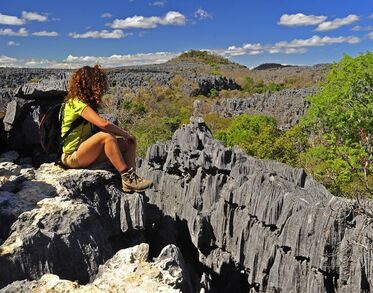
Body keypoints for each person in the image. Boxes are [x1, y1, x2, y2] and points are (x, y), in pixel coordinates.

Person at [60, 65, 152, 192]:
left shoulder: (85, 104)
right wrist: (126, 133)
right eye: (96, 83)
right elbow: (103, 124)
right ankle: (127, 177)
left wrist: (128, 138)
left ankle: (130, 181)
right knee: (107, 137)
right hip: (72, 157)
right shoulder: (76, 103)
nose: (99, 87)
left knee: (129, 143)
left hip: (86, 152)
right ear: (87, 84)